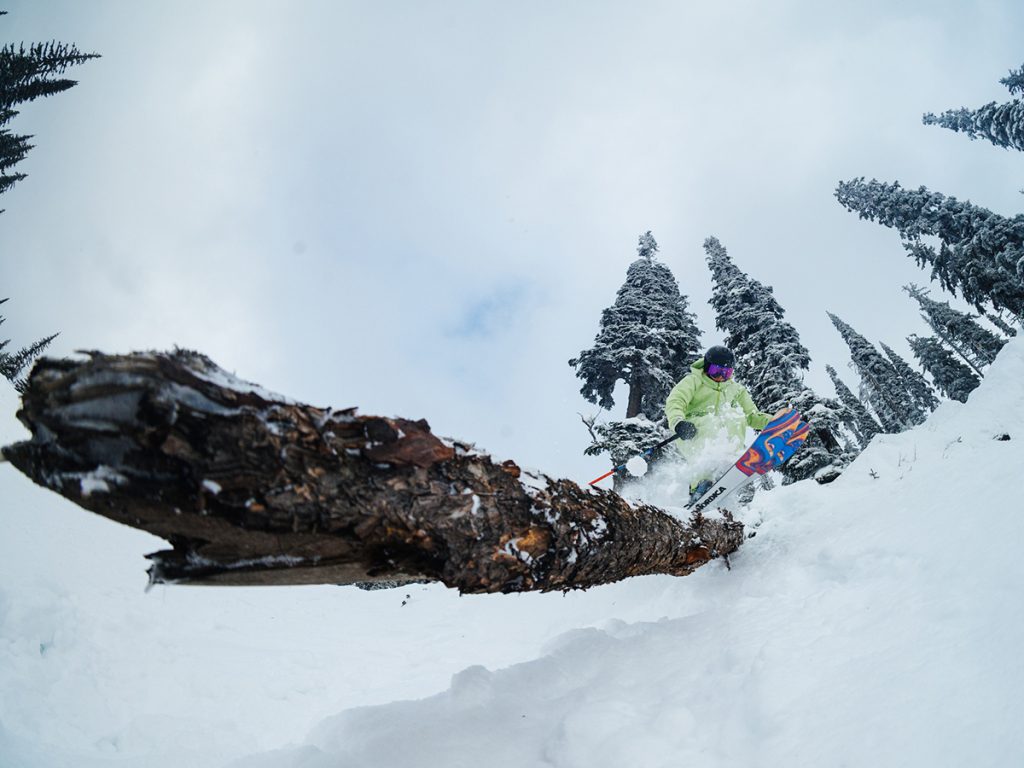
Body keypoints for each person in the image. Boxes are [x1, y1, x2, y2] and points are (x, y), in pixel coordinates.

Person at [664, 345, 777, 503]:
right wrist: (678, 423)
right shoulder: (693, 381)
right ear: (706, 367)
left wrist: (775, 422)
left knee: (735, 417)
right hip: (692, 432)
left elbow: (752, 416)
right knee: (711, 424)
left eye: (726, 373)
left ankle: (732, 465)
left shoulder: (736, 390)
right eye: (716, 371)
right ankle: (700, 486)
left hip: (724, 440)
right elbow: (676, 401)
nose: (721, 377)